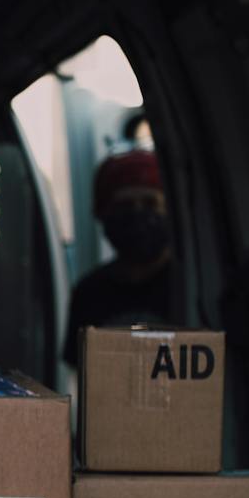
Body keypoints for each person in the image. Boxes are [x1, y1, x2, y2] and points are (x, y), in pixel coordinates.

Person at [63, 149, 175, 367]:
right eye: (125, 206)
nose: (138, 215)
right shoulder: (89, 293)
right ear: (103, 215)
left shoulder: (191, 287)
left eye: (150, 203)